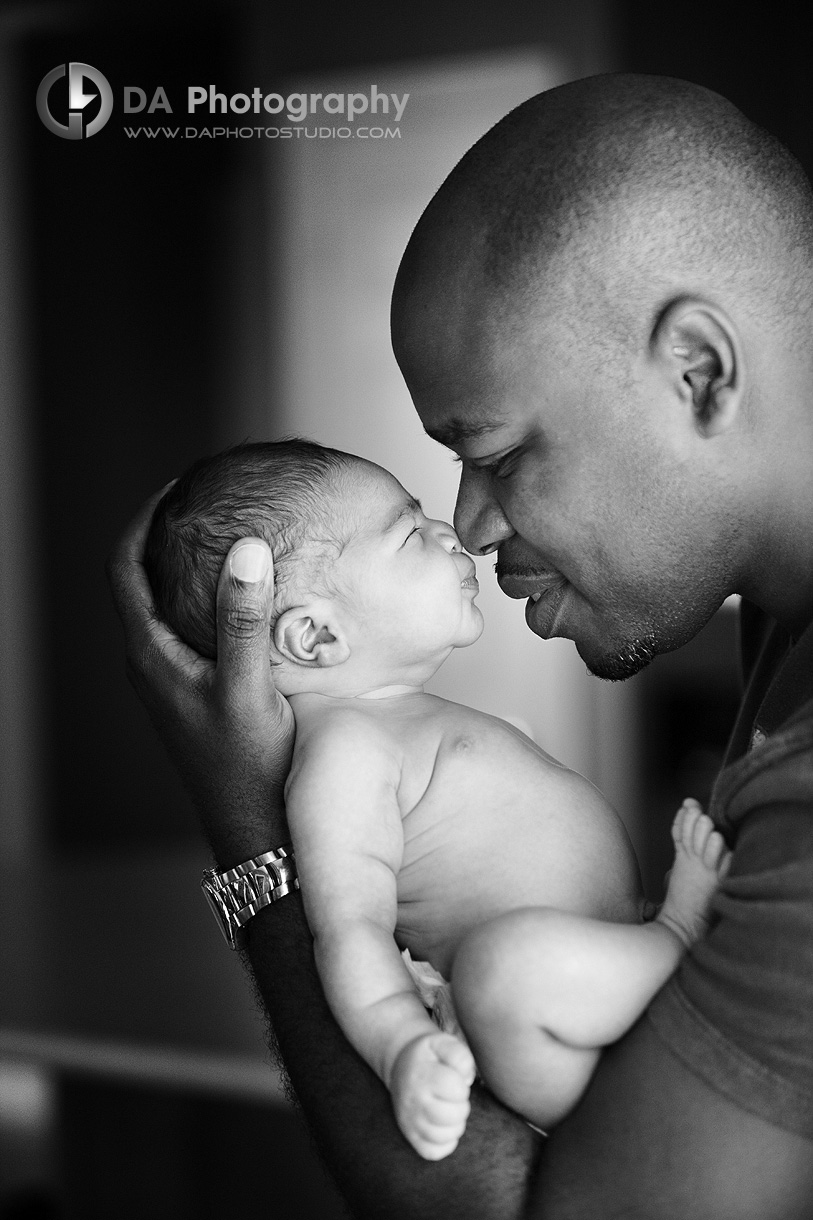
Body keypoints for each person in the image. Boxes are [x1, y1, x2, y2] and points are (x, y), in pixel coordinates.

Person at [108, 74, 813, 1217]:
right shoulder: (784, 618)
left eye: (497, 450)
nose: (473, 527)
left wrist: (246, 823)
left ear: (699, 371)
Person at [143, 439, 730, 1157]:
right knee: (505, 969)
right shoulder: (344, 755)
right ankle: (672, 939)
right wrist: (401, 1046)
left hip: (593, 999)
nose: (450, 533)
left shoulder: (401, 718)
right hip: (538, 1039)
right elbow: (349, 928)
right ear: (315, 635)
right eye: (410, 533)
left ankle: (650, 950)